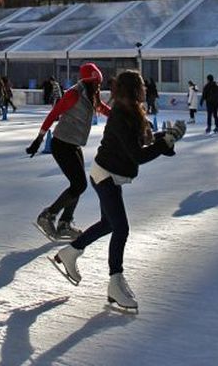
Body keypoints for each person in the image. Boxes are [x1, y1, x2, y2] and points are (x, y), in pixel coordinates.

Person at [48, 70, 186, 314]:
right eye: (142, 85)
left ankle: (70, 253)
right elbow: (138, 155)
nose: (145, 89)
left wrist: (167, 137)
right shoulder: (121, 115)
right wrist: (164, 144)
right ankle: (115, 283)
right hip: (105, 175)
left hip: (110, 173)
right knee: (120, 228)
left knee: (108, 224)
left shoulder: (131, 111)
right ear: (134, 89)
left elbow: (140, 143)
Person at [28, 62, 111, 241]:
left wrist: (121, 116)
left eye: (99, 82)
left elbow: (102, 108)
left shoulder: (91, 94)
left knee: (79, 185)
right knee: (79, 184)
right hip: (61, 143)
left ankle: (65, 223)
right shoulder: (74, 93)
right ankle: (48, 215)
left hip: (73, 144)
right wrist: (39, 138)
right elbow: (54, 113)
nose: (99, 86)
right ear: (89, 81)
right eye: (97, 82)